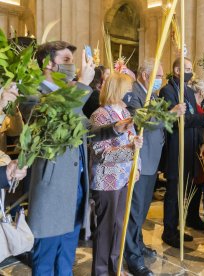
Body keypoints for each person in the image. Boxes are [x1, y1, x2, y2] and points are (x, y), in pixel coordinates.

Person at [20, 41, 134, 275]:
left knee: (66, 256)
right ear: (48, 64)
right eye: (66, 61)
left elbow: (84, 129)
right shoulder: (33, 95)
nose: (72, 67)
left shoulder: (69, 95)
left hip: (75, 187)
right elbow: (53, 124)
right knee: (45, 259)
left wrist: (115, 128)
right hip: (52, 189)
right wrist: (82, 85)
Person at [123, 59, 186, 276]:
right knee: (134, 210)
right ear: (144, 75)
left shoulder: (151, 95)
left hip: (151, 159)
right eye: (157, 76)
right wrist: (170, 114)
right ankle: (131, 256)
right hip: (140, 159)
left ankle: (137, 243)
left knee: (142, 210)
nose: (161, 79)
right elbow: (142, 122)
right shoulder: (133, 94)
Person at [159, 57, 204, 248]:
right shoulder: (167, 91)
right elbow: (175, 121)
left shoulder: (190, 91)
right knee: (174, 192)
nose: (190, 72)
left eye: (191, 68)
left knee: (183, 191)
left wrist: (202, 142)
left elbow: (195, 119)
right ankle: (169, 231)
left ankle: (178, 226)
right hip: (177, 148)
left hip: (191, 147)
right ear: (176, 70)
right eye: (187, 68)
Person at [89, 72, 143, 276]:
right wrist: (129, 150)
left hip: (124, 179)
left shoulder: (125, 113)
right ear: (118, 89)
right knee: (106, 230)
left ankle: (115, 268)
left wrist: (136, 167)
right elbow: (100, 153)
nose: (131, 93)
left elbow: (136, 142)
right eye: (128, 89)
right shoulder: (100, 115)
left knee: (119, 227)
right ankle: (102, 272)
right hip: (107, 180)